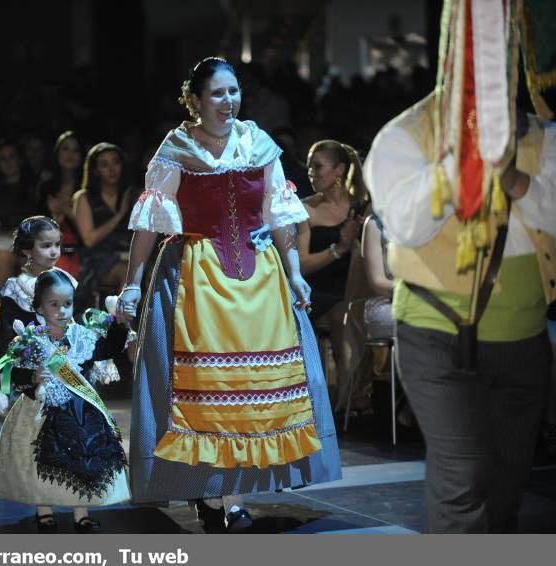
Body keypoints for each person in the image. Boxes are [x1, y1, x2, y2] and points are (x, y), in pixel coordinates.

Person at [119, 56, 340, 532]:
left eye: (233, 91)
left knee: (248, 396)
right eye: (217, 93)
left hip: (259, 281)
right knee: (206, 394)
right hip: (196, 281)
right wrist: (132, 285)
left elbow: (278, 215)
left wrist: (295, 272)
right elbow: (148, 225)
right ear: (195, 100)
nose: (228, 101)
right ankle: (213, 494)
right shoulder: (177, 148)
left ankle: (232, 496)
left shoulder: (258, 143)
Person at [364, 89, 555, 532]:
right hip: (435, 331)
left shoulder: (544, 136)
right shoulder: (405, 135)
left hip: (523, 334)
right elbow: (406, 227)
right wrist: (458, 164)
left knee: (508, 484)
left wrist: (515, 180)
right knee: (463, 477)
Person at [0, 269, 130, 534]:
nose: (62, 310)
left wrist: (120, 324)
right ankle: (44, 511)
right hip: (38, 413)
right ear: (38, 306)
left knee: (81, 462)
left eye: (68, 304)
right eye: (54, 304)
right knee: (38, 462)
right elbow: (13, 373)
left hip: (80, 414)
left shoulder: (82, 337)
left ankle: (81, 513)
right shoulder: (30, 340)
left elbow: (108, 349)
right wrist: (32, 375)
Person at [297, 140, 370, 414]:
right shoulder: (305, 209)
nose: (311, 173)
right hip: (317, 291)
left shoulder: (361, 206)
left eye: (318, 167)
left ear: (339, 170)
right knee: (343, 314)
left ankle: (358, 395)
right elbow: (301, 264)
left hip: (356, 289)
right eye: (310, 167)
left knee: (354, 307)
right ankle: (344, 402)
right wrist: (339, 248)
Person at [73, 142, 133, 311]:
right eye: (104, 164)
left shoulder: (133, 194)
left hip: (131, 255)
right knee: (130, 271)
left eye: (115, 162)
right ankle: (123, 324)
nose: (112, 168)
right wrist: (120, 215)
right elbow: (89, 239)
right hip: (98, 260)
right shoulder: (84, 198)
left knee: (150, 268)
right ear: (95, 170)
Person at [0, 140, 39, 283]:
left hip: (30, 242)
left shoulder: (35, 186)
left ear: (20, 159)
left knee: (30, 261)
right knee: (2, 258)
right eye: (3, 158)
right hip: (3, 242)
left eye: (11, 157)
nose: (8, 162)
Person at [38, 131, 84, 278]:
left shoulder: (88, 188)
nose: (70, 154)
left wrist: (66, 210)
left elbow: (90, 232)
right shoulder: (46, 187)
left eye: (75, 150)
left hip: (81, 248)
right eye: (65, 149)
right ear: (57, 153)